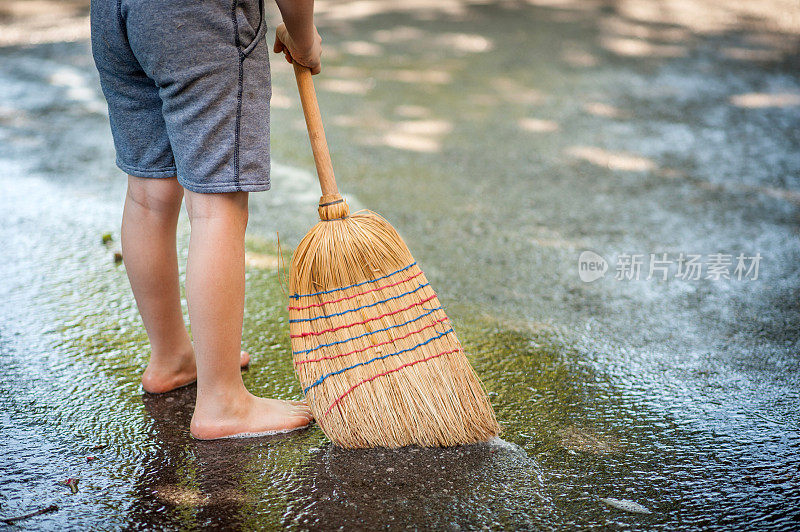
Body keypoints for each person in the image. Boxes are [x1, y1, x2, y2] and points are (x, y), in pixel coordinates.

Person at [90, 0, 321, 439]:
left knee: (148, 193)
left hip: (116, 14)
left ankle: (172, 357)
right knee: (217, 203)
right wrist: (304, 36)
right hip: (198, 18)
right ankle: (222, 403)